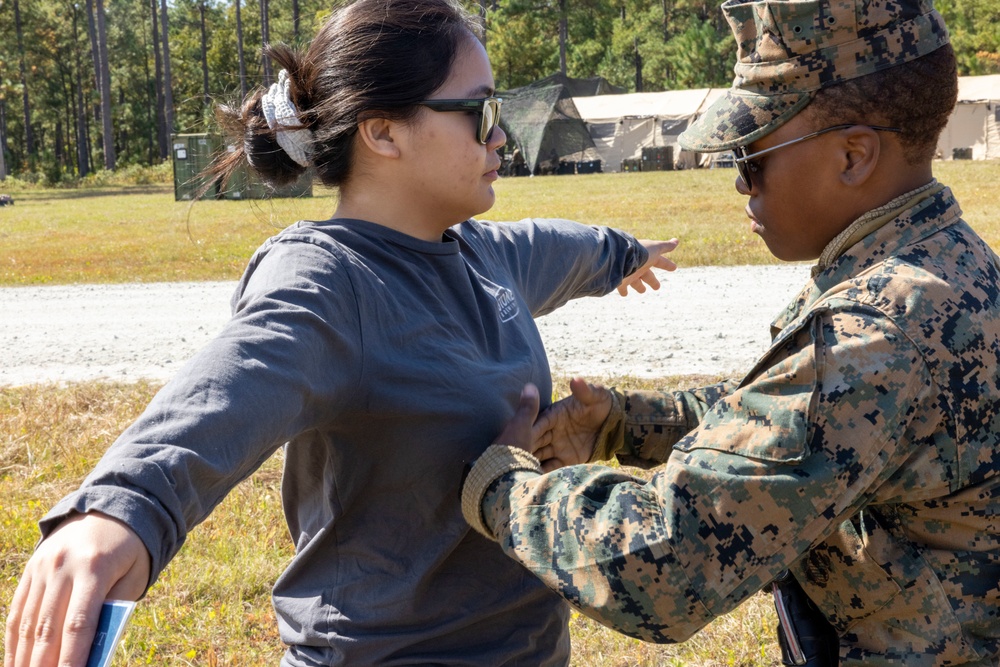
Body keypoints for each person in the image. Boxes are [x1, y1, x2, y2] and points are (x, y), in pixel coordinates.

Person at [3, 1, 678, 665]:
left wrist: (623, 255)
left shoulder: (479, 252)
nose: (500, 136)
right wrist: (124, 506)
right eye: (480, 114)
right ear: (383, 133)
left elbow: (559, 248)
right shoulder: (330, 282)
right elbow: (227, 387)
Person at [461, 1, 1000, 665]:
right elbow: (788, 414)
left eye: (753, 155)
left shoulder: (872, 332)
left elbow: (667, 564)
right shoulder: (939, 263)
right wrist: (628, 423)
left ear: (853, 155)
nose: (740, 181)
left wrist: (504, 487)